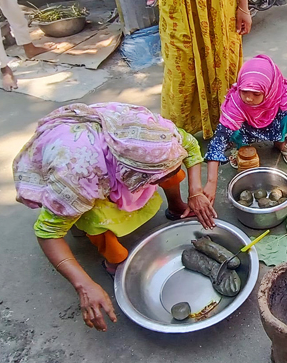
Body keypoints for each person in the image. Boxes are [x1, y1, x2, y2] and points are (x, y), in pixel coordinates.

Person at [13, 103, 217, 332]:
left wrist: (195, 192)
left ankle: (176, 206)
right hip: (72, 156)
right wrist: (84, 285)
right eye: (153, 179)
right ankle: (114, 261)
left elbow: (189, 147)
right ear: (130, 176)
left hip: (103, 150)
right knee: (92, 217)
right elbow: (47, 234)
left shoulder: (156, 134)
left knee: (174, 172)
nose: (159, 181)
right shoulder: (77, 177)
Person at [126, 0, 252, 138]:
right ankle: (177, 137)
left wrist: (244, 8)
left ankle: (228, 125)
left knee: (224, 62)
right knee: (182, 67)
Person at [203, 55, 287, 198]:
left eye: (256, 93)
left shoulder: (282, 92)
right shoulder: (236, 103)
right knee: (230, 124)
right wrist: (211, 182)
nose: (249, 98)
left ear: (269, 88)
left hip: (273, 125)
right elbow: (218, 141)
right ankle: (242, 148)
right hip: (247, 127)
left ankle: (280, 142)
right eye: (244, 91)